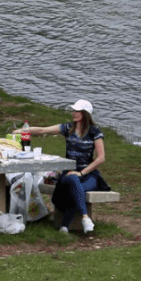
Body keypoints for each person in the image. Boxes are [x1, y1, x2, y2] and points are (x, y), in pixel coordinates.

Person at [30, 99, 109, 234]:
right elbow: (43, 130)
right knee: (73, 181)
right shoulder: (68, 128)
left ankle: (65, 227)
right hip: (69, 173)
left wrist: (82, 173)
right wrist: (21, 130)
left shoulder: (94, 132)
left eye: (76, 111)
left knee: (76, 187)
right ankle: (85, 218)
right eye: (73, 110)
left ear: (84, 114)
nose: (73, 113)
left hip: (89, 175)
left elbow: (101, 158)